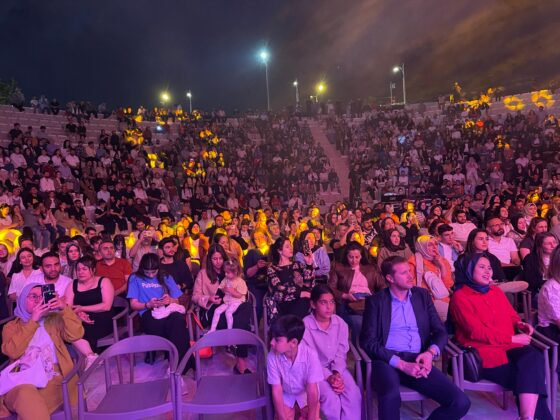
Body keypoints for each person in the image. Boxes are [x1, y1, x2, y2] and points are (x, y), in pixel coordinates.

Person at [360, 256, 470, 420]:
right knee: (390, 396)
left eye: (409, 271)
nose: (410, 276)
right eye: (404, 273)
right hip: (387, 360)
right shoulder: (376, 302)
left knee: (460, 402)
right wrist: (401, 364)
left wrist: (430, 353)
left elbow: (440, 331)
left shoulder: (422, 296)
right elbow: (368, 342)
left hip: (419, 359)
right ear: (390, 278)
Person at [450, 253, 553, 420]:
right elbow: (476, 332)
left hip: (508, 348)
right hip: (484, 355)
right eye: (482, 267)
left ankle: (527, 417)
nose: (488, 271)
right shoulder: (460, 297)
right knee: (532, 376)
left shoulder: (495, 291)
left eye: (489, 268)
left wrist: (520, 324)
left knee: (534, 360)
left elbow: (511, 316)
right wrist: (512, 339)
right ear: (469, 270)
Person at [0, 283, 84, 420]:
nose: (38, 300)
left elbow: (76, 334)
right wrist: (33, 320)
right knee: (25, 394)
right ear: (22, 300)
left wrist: (64, 308)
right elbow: (12, 352)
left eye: (42, 296)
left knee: (30, 405)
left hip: (52, 376)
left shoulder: (53, 320)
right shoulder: (11, 327)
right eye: (33, 296)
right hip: (21, 379)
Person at [302, 285, 362, 420]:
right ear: (313, 304)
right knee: (331, 398)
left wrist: (337, 373)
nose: (329, 307)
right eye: (323, 302)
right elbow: (310, 360)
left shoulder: (340, 324)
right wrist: (329, 377)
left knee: (353, 394)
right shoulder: (305, 326)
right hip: (314, 372)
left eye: (332, 302)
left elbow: (341, 353)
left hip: (337, 369)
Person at [192, 244, 252, 374]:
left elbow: (242, 291)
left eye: (220, 258)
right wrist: (209, 298)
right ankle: (241, 362)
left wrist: (236, 293)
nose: (218, 262)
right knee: (241, 323)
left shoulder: (232, 269)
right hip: (214, 309)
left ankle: (235, 349)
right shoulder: (203, 274)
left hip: (233, 304)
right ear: (209, 259)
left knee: (246, 307)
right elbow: (195, 296)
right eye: (214, 259)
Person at [127, 253, 191, 373]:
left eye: (154, 272)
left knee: (178, 320)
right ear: (142, 269)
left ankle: (177, 365)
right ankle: (180, 365)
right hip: (148, 312)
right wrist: (148, 304)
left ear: (158, 268)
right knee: (173, 329)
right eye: (147, 272)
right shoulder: (135, 278)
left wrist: (170, 300)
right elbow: (133, 304)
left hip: (166, 309)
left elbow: (178, 300)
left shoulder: (165, 276)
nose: (151, 275)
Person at [268, 314, 322, 420]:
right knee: (281, 416)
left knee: (313, 416)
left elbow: (312, 390)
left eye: (277, 340)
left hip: (304, 393)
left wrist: (311, 418)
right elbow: (276, 390)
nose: (271, 343)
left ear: (293, 342)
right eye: (272, 338)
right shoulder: (272, 355)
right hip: (286, 393)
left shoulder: (310, 355)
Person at [328, 241, 385, 341]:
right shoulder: (339, 268)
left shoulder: (371, 269)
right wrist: (345, 295)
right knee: (359, 322)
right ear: (346, 256)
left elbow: (382, 286)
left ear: (361, 256)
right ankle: (359, 347)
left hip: (368, 301)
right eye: (351, 257)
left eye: (357, 257)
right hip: (347, 301)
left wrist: (376, 299)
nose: (354, 260)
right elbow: (330, 288)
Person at [65, 255, 115, 354]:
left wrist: (82, 308)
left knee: (86, 328)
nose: (80, 272)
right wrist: (78, 314)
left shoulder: (104, 281)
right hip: (80, 316)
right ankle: (88, 356)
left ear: (93, 270)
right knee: (70, 326)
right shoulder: (72, 284)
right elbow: (67, 306)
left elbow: (106, 306)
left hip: (102, 316)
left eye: (84, 269)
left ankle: (90, 356)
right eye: (78, 269)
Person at [265, 237, 315, 323]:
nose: (291, 248)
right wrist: (301, 293)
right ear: (280, 251)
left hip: (302, 301)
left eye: (291, 245)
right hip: (285, 303)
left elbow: (309, 284)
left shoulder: (298, 265)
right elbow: (278, 289)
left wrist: (309, 264)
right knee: (304, 303)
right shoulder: (273, 269)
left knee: (309, 301)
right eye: (287, 246)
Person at [408, 235, 453, 321]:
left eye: (436, 244)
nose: (434, 247)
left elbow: (447, 285)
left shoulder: (443, 261)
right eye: (430, 245)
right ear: (422, 247)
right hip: (425, 302)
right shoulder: (413, 262)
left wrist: (442, 266)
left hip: (444, 300)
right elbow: (411, 286)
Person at [209, 259, 247, 332]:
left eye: (228, 273)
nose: (226, 274)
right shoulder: (226, 279)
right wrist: (224, 289)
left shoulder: (240, 282)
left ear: (235, 272)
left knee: (228, 312)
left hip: (237, 302)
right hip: (227, 301)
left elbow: (240, 295)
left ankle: (229, 330)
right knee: (217, 311)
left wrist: (232, 291)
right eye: (225, 272)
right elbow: (221, 288)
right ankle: (212, 329)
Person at [243, 228, 272, 322]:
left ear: (267, 237)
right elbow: (247, 274)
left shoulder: (273, 251)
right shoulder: (251, 253)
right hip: (256, 284)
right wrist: (257, 266)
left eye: (261, 237)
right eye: (256, 238)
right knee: (258, 305)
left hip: (272, 283)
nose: (259, 240)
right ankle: (255, 324)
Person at [523, 232, 558, 298]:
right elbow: (532, 281)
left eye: (554, 242)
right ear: (540, 245)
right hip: (539, 292)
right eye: (548, 243)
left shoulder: (558, 257)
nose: (553, 246)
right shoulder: (530, 259)